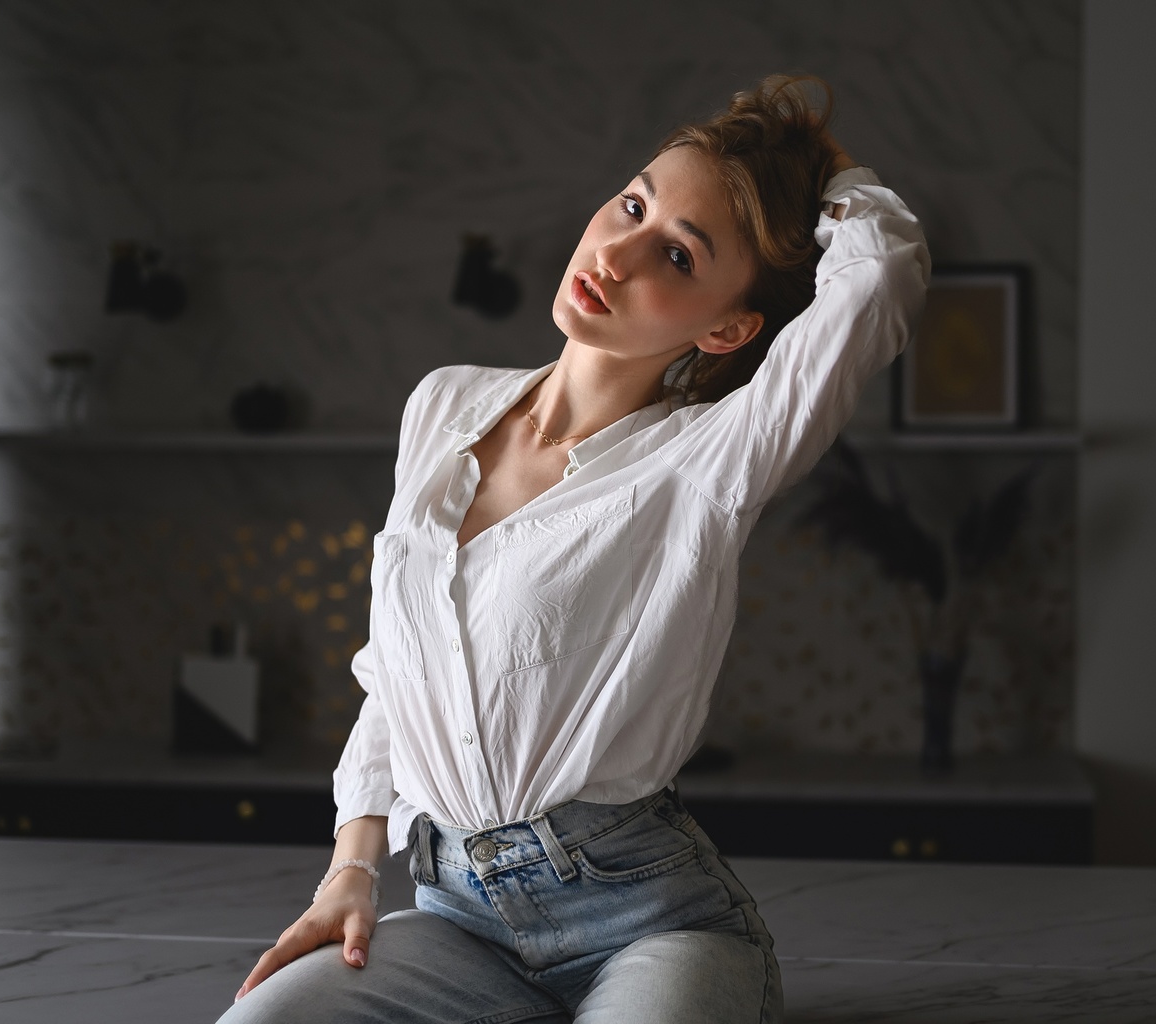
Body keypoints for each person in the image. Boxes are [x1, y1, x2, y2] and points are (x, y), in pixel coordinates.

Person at [220, 74, 928, 1024]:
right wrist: (350, 869)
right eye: (633, 203)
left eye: (678, 253)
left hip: (649, 924)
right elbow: (398, 672)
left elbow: (878, 274)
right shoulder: (442, 407)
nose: (619, 251)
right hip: (459, 922)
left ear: (726, 326)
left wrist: (815, 162)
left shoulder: (708, 457)